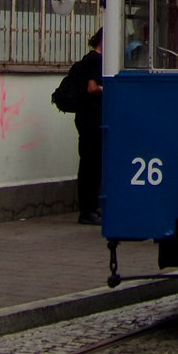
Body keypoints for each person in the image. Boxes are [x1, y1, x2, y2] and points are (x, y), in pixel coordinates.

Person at [75, 28, 103, 225]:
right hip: (91, 118)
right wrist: (108, 88)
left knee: (91, 163)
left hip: (88, 117)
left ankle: (90, 207)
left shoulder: (90, 58)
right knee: (90, 164)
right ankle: (87, 210)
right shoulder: (95, 60)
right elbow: (92, 87)